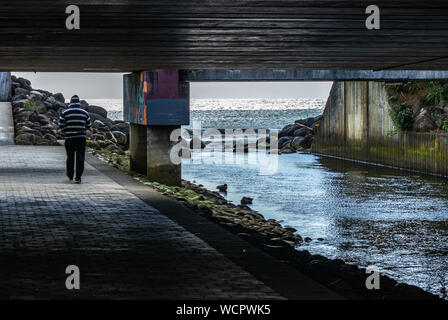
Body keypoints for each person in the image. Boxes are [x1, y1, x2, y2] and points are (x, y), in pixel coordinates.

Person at [59, 95, 91, 184]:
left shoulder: (65, 113)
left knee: (70, 157)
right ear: (79, 103)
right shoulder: (85, 113)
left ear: (71, 102)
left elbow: (61, 126)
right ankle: (78, 177)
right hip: (81, 138)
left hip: (69, 138)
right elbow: (88, 126)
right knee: (80, 158)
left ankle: (70, 174)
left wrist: (67, 131)